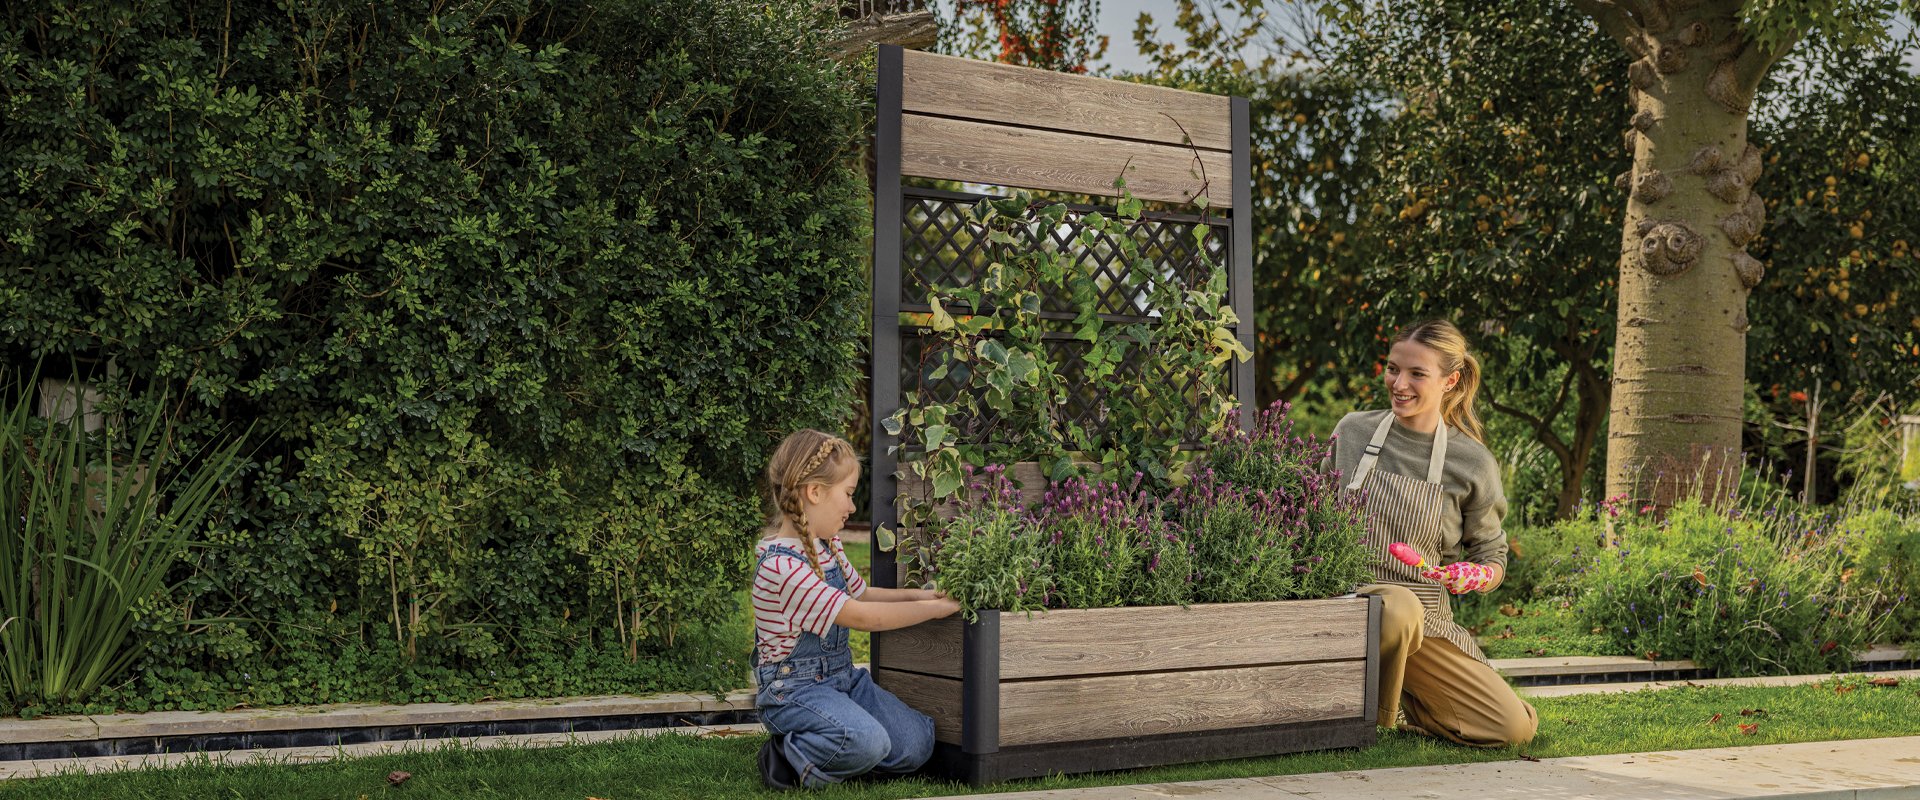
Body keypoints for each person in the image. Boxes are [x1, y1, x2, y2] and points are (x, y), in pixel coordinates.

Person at [1329, 320, 1539, 748]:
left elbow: (1492, 556)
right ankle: (1372, 722)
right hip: (1344, 601)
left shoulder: (1471, 461)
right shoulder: (1352, 431)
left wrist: (1474, 575)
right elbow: (1306, 512)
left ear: (1451, 381)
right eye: (1393, 369)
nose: (1399, 383)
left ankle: (1413, 703)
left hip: (1426, 623)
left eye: (1417, 374)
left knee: (1513, 729)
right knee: (1397, 607)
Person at [752, 429, 962, 789]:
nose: (852, 507)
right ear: (814, 492)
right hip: (794, 691)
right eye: (848, 495)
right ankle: (788, 756)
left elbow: (862, 595)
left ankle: (843, 749)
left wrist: (927, 597)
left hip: (842, 678)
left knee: (918, 743)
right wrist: (936, 612)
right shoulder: (781, 567)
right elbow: (860, 616)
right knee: (868, 742)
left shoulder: (827, 545)